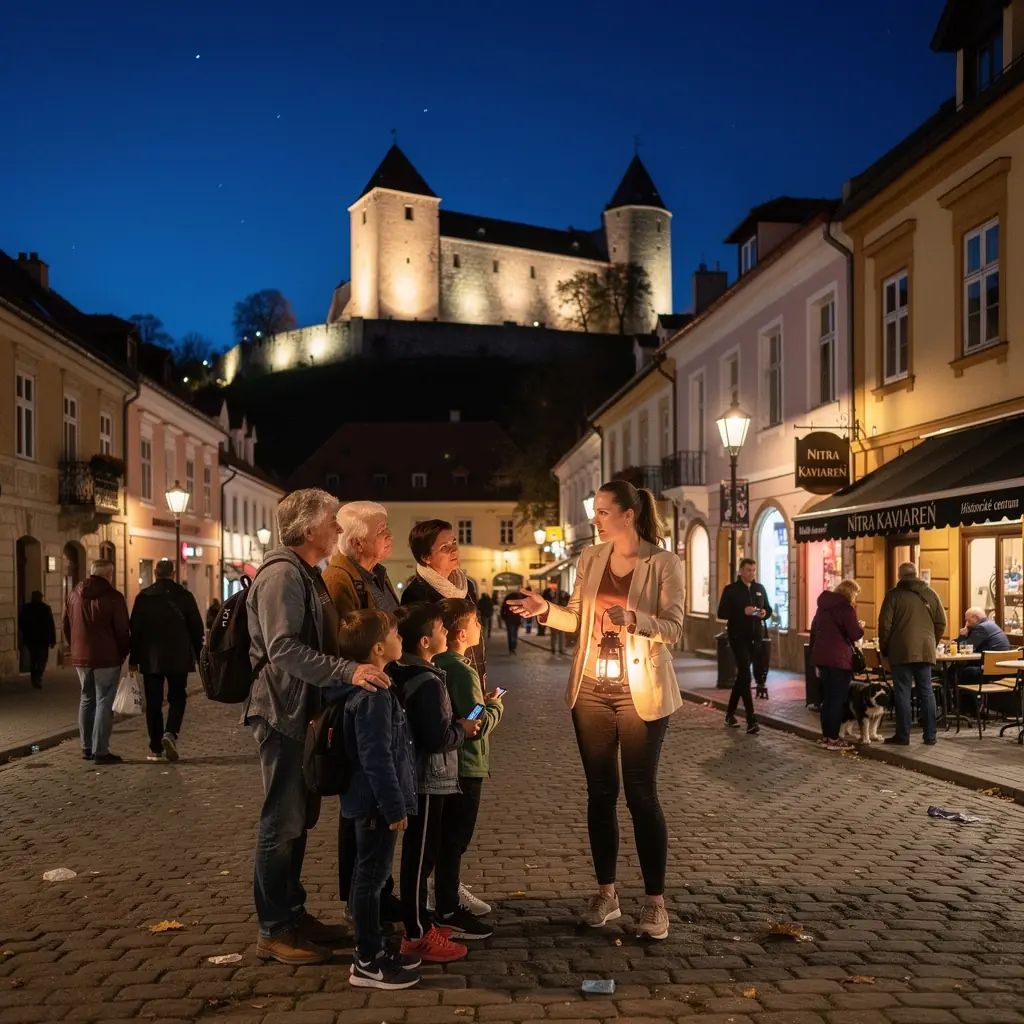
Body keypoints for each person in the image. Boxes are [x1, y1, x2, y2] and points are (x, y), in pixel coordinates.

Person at [509, 480, 684, 941]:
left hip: (640, 690)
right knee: (600, 794)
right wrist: (544, 609)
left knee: (641, 795)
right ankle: (606, 893)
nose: (596, 520)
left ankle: (654, 903)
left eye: (603, 512)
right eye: (595, 513)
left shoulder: (664, 562)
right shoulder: (590, 558)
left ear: (628, 515)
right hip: (590, 689)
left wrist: (636, 621)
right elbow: (576, 618)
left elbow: (675, 628)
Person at [244, 489, 391, 966]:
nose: (337, 531)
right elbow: (283, 646)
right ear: (308, 531)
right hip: (282, 711)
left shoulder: (305, 572)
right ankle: (273, 928)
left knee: (299, 819)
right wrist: (348, 672)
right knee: (280, 821)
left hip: (301, 710)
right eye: (332, 522)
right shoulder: (283, 574)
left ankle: (294, 913)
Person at [322, 501, 402, 924]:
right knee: (364, 805)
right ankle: (362, 901)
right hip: (363, 690)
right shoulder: (340, 578)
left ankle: (376, 893)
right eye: (382, 530)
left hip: (385, 683)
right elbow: (348, 640)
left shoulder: (376, 572)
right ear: (357, 541)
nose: (390, 535)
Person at [390, 603, 480, 963]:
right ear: (426, 640)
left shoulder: (419, 672)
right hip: (429, 778)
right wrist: (464, 727)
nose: (446, 633)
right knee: (420, 855)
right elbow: (436, 737)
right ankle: (415, 931)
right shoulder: (427, 678)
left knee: (423, 852)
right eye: (441, 629)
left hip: (430, 777)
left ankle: (422, 922)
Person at [337, 609, 421, 991]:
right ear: (377, 648)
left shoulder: (376, 687)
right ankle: (367, 960)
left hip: (371, 801)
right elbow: (377, 756)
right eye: (393, 633)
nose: (400, 636)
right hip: (375, 804)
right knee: (371, 878)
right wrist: (394, 805)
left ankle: (372, 950)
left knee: (371, 876)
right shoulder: (372, 694)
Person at [434, 598, 503, 925]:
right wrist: (493, 707)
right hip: (466, 764)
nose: (481, 628)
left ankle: (441, 897)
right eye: (476, 623)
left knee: (446, 837)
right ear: (461, 634)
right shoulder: (462, 669)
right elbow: (473, 722)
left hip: (446, 765)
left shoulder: (439, 663)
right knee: (455, 839)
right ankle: (448, 904)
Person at [129, 559, 205, 762]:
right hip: (178, 657)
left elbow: (135, 630)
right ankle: (170, 733)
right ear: (173, 573)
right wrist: (200, 656)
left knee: (153, 702)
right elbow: (196, 629)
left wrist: (133, 659)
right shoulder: (184, 596)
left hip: (150, 658)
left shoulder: (143, 597)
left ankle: (155, 746)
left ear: (155, 573)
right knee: (177, 698)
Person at [63, 559, 130, 765]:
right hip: (107, 658)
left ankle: (86, 747)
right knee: (103, 702)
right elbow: (122, 630)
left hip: (81, 658)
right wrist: (123, 652)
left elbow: (66, 624)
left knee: (86, 699)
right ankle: (101, 751)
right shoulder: (114, 597)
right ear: (109, 575)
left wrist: (74, 648)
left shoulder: (74, 594)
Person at [401, 520, 486, 680]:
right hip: (443, 679)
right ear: (426, 557)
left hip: (472, 670)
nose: (454, 549)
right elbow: (417, 652)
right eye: (444, 548)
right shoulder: (416, 594)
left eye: (454, 542)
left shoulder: (466, 586)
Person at [878, 562, 946, 746]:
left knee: (902, 692)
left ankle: (903, 735)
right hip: (925, 651)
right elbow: (941, 623)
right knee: (927, 692)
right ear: (916, 574)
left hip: (900, 651)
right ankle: (930, 736)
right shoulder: (931, 593)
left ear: (899, 576)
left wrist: (884, 651)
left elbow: (885, 626)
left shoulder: (893, 595)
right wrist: (931, 642)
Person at [717, 558, 772, 735]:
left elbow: (768, 609)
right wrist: (742, 611)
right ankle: (751, 718)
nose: (752, 573)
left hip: (756, 638)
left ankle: (730, 714)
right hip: (738, 638)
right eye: (748, 570)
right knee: (746, 676)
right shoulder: (731, 590)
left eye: (754, 570)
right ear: (740, 571)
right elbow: (722, 612)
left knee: (742, 676)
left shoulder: (759, 589)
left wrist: (763, 613)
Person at [809, 580, 864, 749]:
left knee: (827, 698)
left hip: (822, 658)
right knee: (837, 699)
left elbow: (813, 630)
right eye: (855, 594)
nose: (855, 598)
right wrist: (861, 627)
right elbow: (854, 634)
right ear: (849, 593)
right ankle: (833, 738)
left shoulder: (822, 607)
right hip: (839, 659)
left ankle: (826, 736)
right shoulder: (846, 609)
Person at [955, 606, 1012, 711]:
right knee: (962, 670)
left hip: (991, 671)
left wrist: (962, 635)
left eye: (968, 620)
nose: (966, 623)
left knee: (960, 672)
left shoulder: (981, 628)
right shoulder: (991, 625)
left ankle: (966, 709)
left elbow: (965, 647)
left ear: (976, 618)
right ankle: (967, 708)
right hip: (1004, 670)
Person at [18, 590, 56, 688]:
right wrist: (52, 640)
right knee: (40, 659)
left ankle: (35, 677)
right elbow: (51, 625)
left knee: (35, 659)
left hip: (33, 639)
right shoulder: (44, 608)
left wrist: (26, 634)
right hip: (41, 639)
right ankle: (37, 677)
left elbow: (21, 623)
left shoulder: (27, 608)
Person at [500, 590, 523, 655]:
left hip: (509, 619)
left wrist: (503, 617)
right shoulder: (519, 601)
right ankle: (514, 647)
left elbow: (503, 609)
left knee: (510, 634)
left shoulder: (507, 600)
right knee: (515, 634)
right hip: (516, 619)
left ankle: (511, 648)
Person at [548, 585, 569, 655]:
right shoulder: (551, 596)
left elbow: (567, 604)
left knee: (560, 635)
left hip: (560, 618)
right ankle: (555, 649)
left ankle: (559, 649)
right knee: (555, 635)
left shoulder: (563, 596)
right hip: (554, 619)